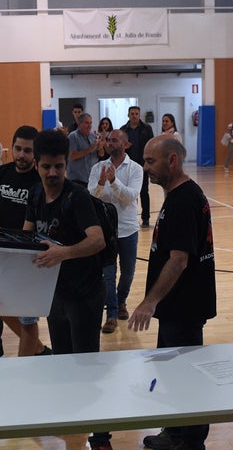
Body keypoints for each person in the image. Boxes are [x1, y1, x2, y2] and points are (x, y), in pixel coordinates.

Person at [128, 135, 216, 450]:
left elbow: (179, 260)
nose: (146, 167)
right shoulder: (179, 195)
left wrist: (149, 302)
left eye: (151, 161)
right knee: (170, 372)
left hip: (184, 307)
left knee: (187, 376)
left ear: (172, 161)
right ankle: (175, 431)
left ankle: (191, 441)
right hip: (175, 307)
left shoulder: (183, 200)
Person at [24, 129, 110, 450]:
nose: (53, 173)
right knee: (62, 365)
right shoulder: (34, 195)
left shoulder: (78, 197)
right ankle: (73, 428)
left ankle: (100, 437)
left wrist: (64, 252)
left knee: (86, 370)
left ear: (65, 165)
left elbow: (97, 240)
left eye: (59, 166)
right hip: (55, 296)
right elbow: (28, 235)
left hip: (85, 295)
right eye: (46, 167)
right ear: (37, 165)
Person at [0, 125, 51, 358]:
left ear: (36, 154)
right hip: (1, 255)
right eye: (18, 148)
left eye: (27, 151)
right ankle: (39, 349)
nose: (21, 155)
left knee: (28, 319)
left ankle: (26, 369)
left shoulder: (41, 182)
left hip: (29, 259)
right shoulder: (1, 174)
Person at [88, 129, 143, 333]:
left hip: (129, 229)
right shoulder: (98, 168)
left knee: (128, 272)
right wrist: (102, 182)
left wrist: (113, 181)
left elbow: (130, 196)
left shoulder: (136, 169)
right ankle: (110, 314)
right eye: (108, 140)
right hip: (106, 231)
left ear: (125, 144)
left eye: (115, 140)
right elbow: (91, 196)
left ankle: (121, 301)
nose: (110, 143)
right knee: (108, 275)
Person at [121, 105, 154, 227]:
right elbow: (119, 146)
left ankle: (146, 218)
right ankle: (130, 217)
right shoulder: (123, 130)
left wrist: (149, 162)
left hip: (142, 165)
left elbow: (151, 145)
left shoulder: (147, 128)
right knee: (129, 192)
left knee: (144, 191)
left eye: (136, 113)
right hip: (127, 165)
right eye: (132, 113)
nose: (134, 115)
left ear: (139, 115)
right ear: (128, 115)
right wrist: (124, 146)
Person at [67, 112, 101, 187]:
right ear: (79, 123)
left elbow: (99, 155)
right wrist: (89, 149)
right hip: (77, 180)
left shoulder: (93, 136)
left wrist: (100, 147)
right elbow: (72, 156)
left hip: (92, 179)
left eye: (91, 123)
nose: (89, 126)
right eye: (86, 123)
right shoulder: (73, 137)